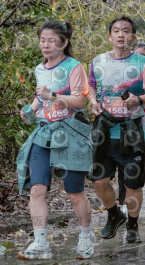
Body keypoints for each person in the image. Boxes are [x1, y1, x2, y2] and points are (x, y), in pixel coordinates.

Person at [16, 21, 95, 260]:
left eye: (51, 41)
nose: (46, 45)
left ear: (64, 42)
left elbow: (79, 101)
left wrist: (52, 96)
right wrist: (30, 109)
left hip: (70, 134)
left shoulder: (74, 67)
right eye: (43, 40)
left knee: (74, 191)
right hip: (43, 133)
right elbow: (39, 96)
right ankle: (40, 243)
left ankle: (86, 236)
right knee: (37, 189)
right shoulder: (39, 69)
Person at [88, 16, 145, 244]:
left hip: (131, 132)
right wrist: (93, 101)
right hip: (104, 131)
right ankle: (114, 214)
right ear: (110, 36)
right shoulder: (98, 61)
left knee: (132, 184)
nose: (121, 34)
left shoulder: (143, 63)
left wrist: (138, 100)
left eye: (126, 31)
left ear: (133, 36)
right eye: (117, 31)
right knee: (99, 182)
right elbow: (91, 86)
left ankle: (132, 225)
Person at [115, 41, 145, 219]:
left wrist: (139, 100)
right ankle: (123, 204)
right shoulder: (122, 76)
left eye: (143, 56)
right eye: (136, 55)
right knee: (123, 166)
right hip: (124, 128)